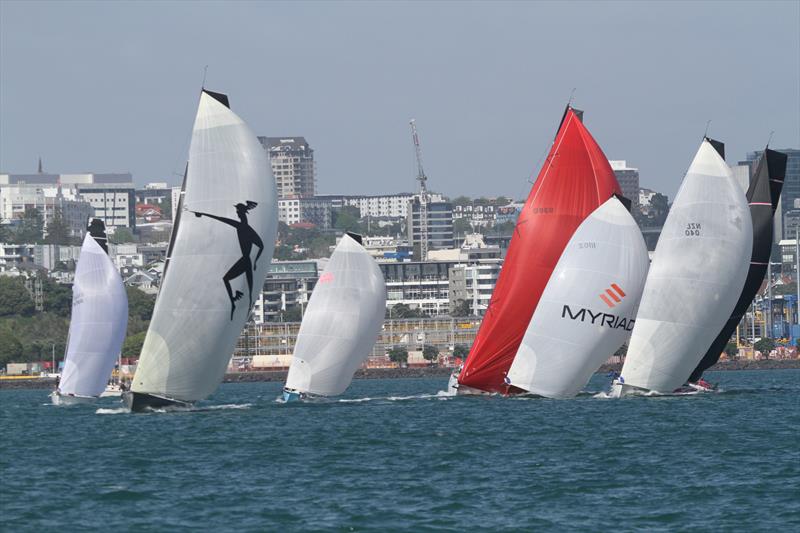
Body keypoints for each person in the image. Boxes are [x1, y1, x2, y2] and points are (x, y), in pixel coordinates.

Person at [191, 201, 264, 320]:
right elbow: (261, 246)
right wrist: (255, 261)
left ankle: (234, 303)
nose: (237, 213)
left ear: (242, 213)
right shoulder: (248, 229)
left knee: (230, 281)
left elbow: (222, 219)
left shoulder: (241, 226)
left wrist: (202, 214)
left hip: (245, 260)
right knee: (249, 288)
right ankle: (236, 303)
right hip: (247, 261)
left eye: (238, 212)